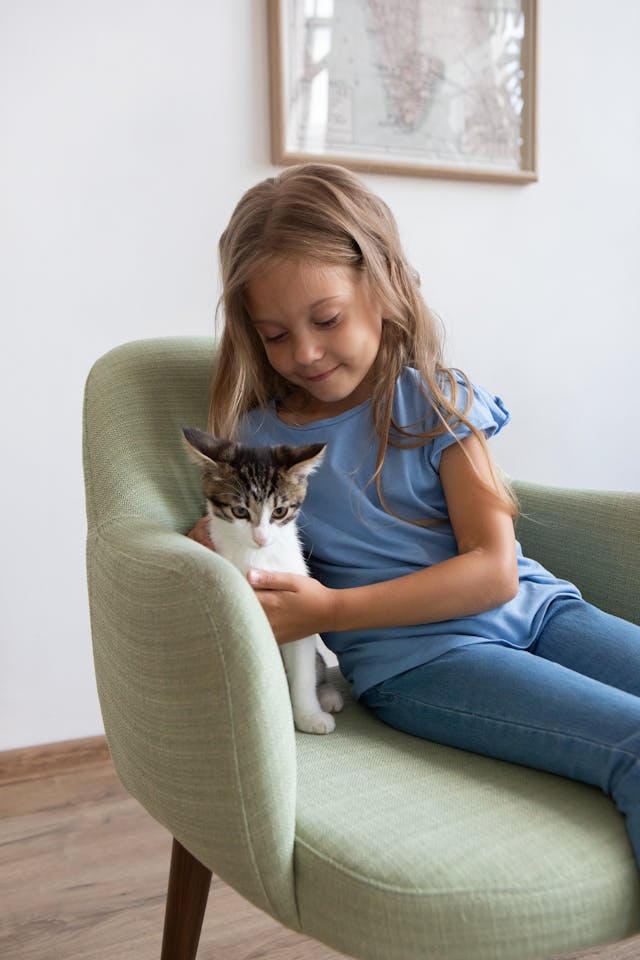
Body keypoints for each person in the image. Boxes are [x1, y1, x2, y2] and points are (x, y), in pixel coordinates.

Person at [188, 162, 640, 868]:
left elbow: (494, 572)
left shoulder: (437, 401)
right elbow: (230, 551)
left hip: (543, 612)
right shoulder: (261, 446)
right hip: (420, 664)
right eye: (275, 335)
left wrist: (328, 608)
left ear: (385, 288)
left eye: (326, 319)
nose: (303, 352)